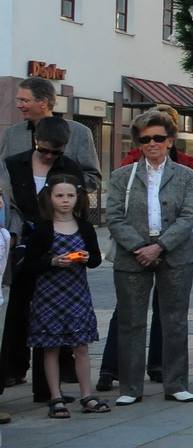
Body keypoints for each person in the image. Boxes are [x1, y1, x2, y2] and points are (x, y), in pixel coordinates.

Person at [106, 111, 193, 403]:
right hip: (132, 254)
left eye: (159, 138)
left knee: (175, 320)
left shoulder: (185, 175)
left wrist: (160, 246)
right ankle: (130, 388)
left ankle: (176, 384)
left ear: (170, 141)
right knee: (131, 321)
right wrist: (140, 247)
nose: (152, 143)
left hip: (174, 252)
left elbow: (188, 216)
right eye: (145, 139)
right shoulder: (122, 175)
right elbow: (113, 216)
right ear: (138, 143)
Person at [2, 116, 82, 403]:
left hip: (54, 245)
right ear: (35, 141)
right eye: (44, 150)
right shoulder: (13, 164)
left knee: (49, 317)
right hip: (23, 246)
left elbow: (77, 206)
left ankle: (46, 389)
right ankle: (6, 375)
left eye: (55, 152)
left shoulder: (68, 167)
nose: (49, 156)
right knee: (16, 313)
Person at [24, 175, 106, 415]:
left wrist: (88, 258)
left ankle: (86, 395)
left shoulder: (85, 226)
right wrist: (52, 261)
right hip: (49, 296)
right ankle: (55, 396)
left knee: (81, 345)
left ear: (77, 197)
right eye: (59, 195)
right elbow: (30, 265)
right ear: (50, 198)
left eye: (70, 195)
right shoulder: (43, 228)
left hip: (77, 294)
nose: (65, 201)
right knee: (51, 347)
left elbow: (95, 259)